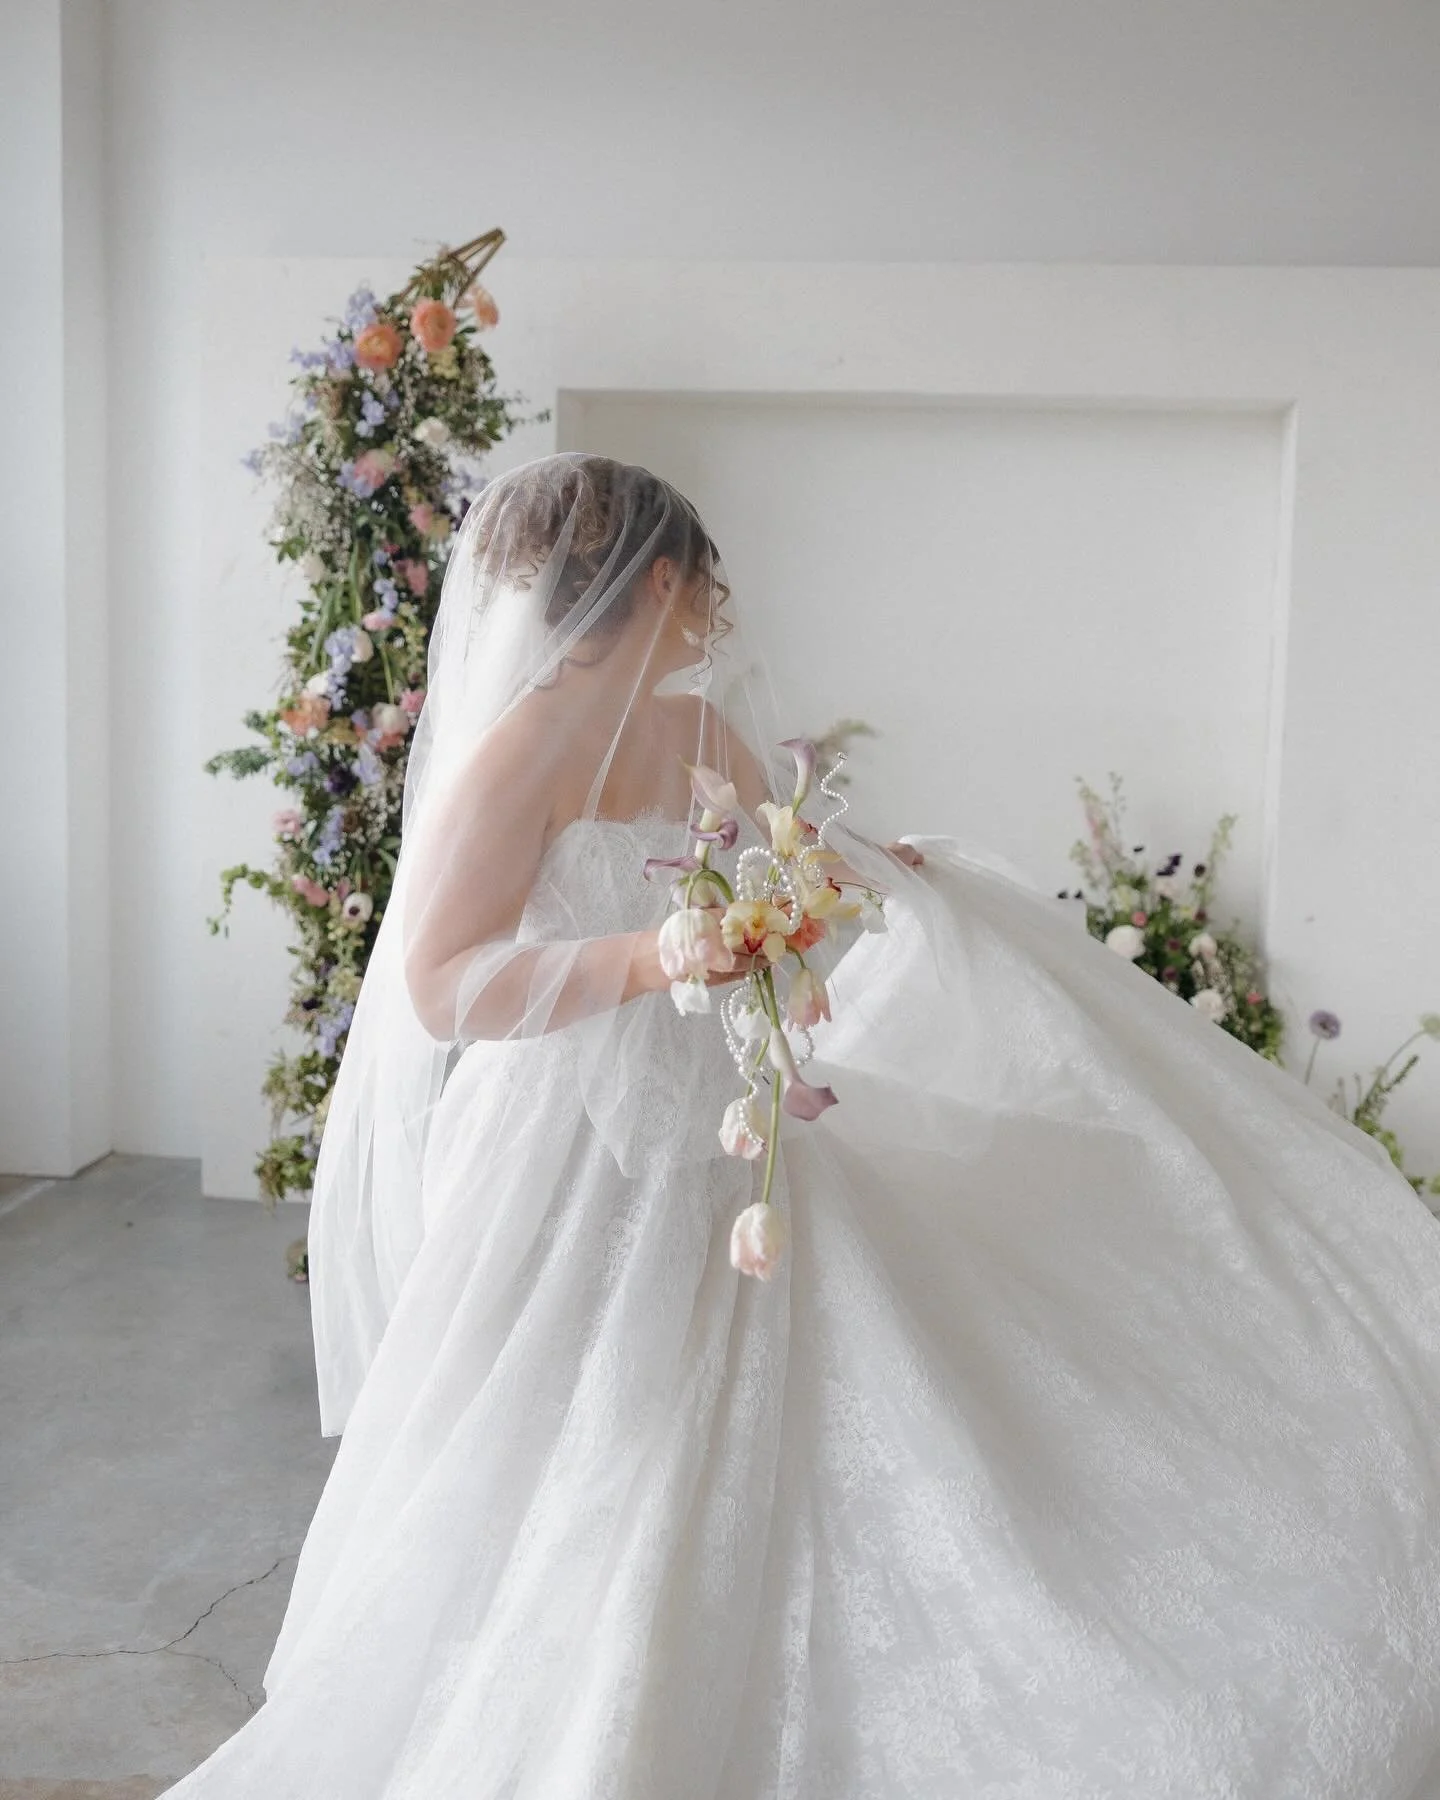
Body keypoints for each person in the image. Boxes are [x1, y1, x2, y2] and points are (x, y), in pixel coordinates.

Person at [161, 452, 1440, 1797]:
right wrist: (649, 956)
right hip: (557, 1146)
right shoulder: (514, 755)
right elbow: (442, 986)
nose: (720, 611)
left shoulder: (700, 734)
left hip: (724, 1128)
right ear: (660, 579)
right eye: (706, 584)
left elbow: (787, 890)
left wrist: (860, 885)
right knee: (559, 1431)